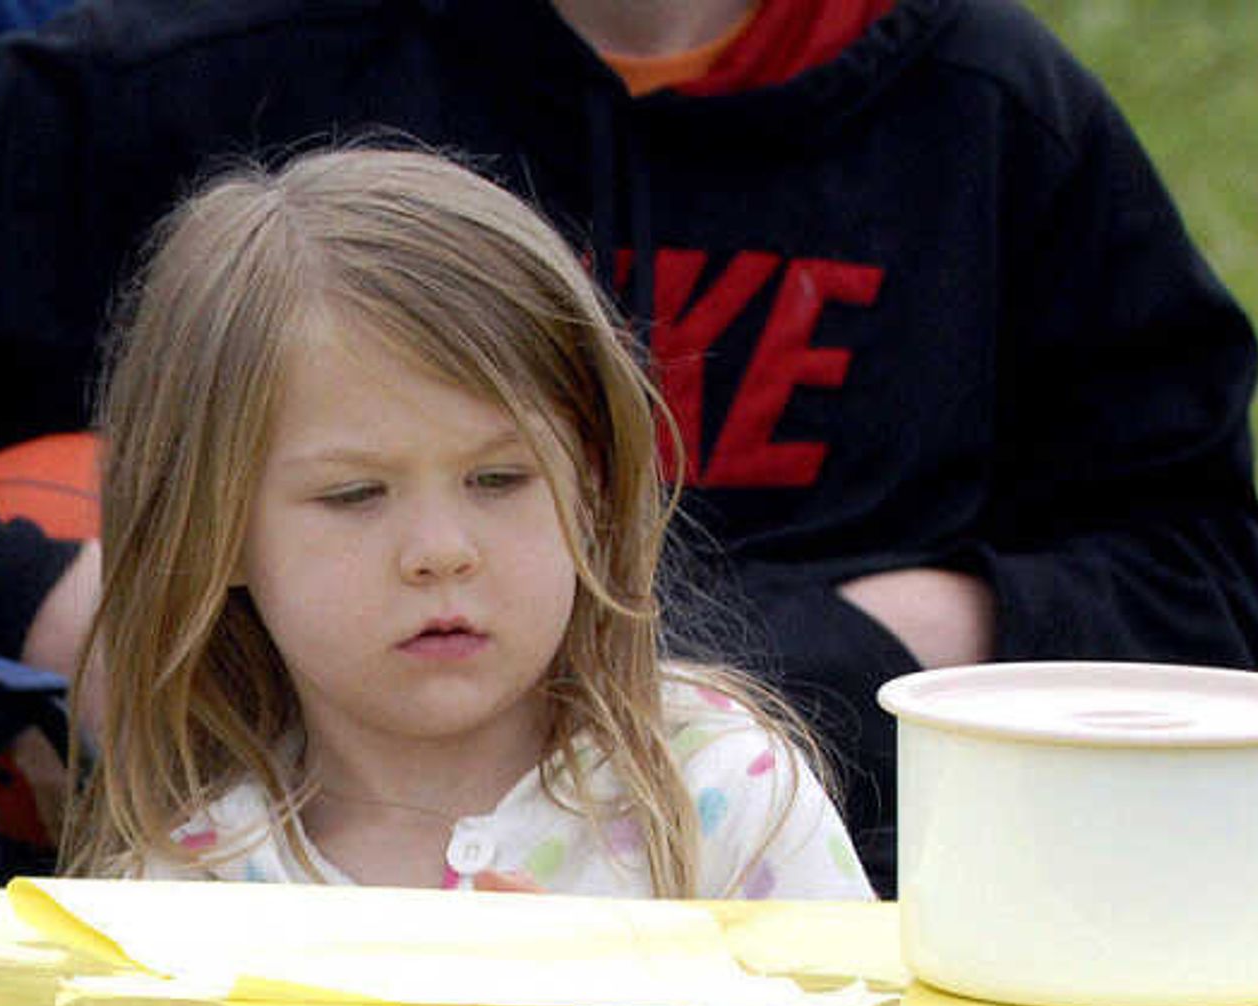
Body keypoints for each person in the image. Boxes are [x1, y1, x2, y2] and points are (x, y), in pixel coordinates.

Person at [0, 0, 1258, 885]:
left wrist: (923, 636)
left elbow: (1205, 552)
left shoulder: (988, 110)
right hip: (300, 830)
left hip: (795, 875)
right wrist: (67, 608)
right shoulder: (214, 73)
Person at [70, 144, 868, 897]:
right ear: (217, 532)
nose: (440, 552)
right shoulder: (190, 885)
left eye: (499, 478)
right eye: (355, 495)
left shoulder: (726, 797)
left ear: (591, 492)